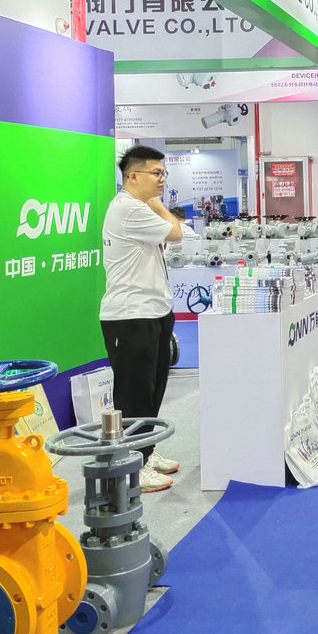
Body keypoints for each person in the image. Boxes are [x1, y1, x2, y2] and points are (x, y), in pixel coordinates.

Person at [100, 146, 184, 491]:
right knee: (134, 394)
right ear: (132, 176)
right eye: (156, 173)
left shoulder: (137, 207)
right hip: (130, 315)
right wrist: (158, 204)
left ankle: (146, 452)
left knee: (151, 391)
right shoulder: (129, 209)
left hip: (154, 311)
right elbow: (176, 232)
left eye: (164, 173)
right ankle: (132, 465)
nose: (162, 179)